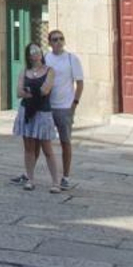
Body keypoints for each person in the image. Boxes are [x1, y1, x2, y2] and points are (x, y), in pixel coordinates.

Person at [12, 42, 63, 193]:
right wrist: (31, 91)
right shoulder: (25, 71)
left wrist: (29, 91)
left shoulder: (49, 70)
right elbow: (19, 92)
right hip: (27, 111)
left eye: (38, 50)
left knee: (47, 148)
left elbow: (45, 90)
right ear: (28, 55)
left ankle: (56, 182)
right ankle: (30, 179)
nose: (36, 53)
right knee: (29, 148)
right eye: (32, 51)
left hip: (42, 112)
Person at [44, 29, 84, 189]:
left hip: (64, 107)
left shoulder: (71, 59)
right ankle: (30, 173)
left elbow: (79, 83)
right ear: (49, 43)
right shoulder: (46, 58)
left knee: (65, 142)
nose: (58, 42)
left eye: (61, 39)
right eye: (55, 39)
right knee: (40, 140)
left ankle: (65, 176)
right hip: (47, 106)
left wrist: (74, 104)